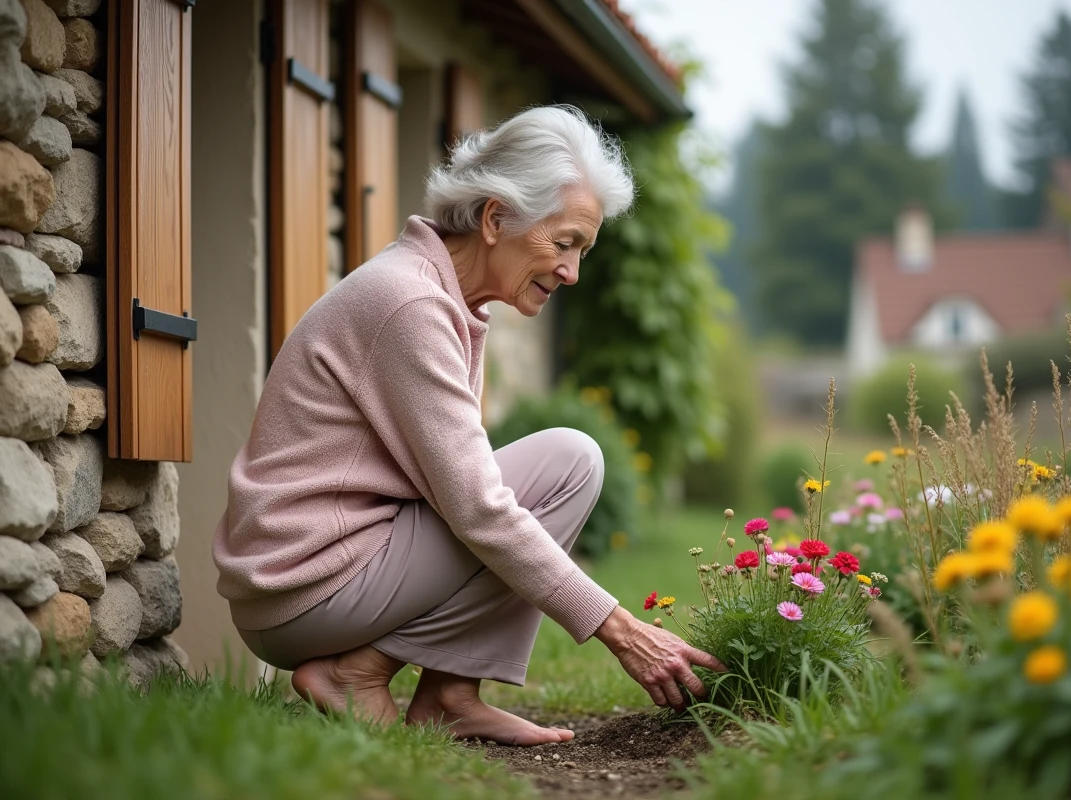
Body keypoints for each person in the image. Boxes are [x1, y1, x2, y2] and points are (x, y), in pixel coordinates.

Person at [212, 106, 724, 746]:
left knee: (557, 468)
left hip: (315, 579)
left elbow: (460, 493)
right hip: (304, 589)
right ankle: (358, 674)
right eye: (563, 243)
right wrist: (620, 629)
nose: (571, 271)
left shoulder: (443, 297)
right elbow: (478, 509)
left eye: (582, 250)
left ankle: (450, 694)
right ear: (495, 218)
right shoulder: (412, 304)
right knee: (569, 462)